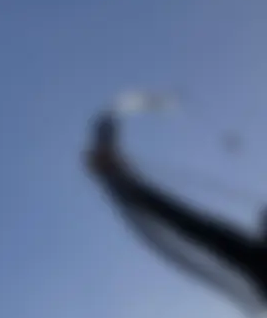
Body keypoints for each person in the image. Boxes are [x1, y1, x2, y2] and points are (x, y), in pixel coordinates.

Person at [86, 114, 267, 307]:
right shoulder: (254, 256)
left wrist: (122, 181)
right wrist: (122, 180)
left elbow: (195, 227)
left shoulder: (254, 256)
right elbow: (194, 226)